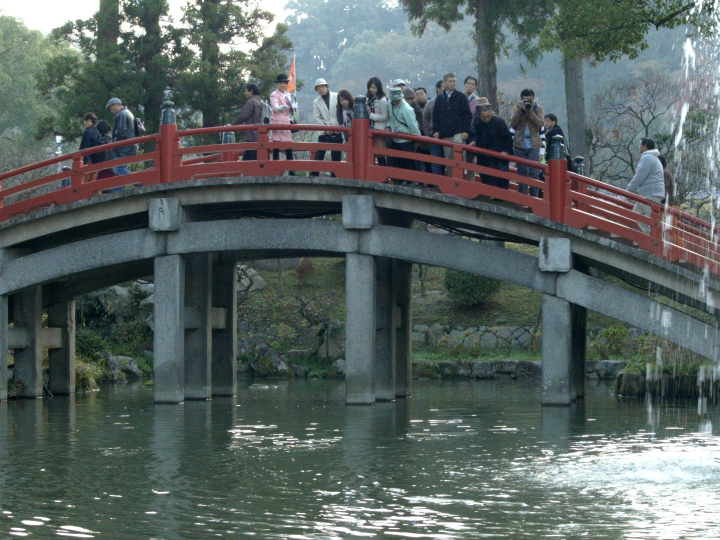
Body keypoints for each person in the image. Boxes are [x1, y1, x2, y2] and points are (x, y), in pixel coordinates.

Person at [432, 72, 472, 177]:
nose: (452, 83)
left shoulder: (461, 97)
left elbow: (467, 115)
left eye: (454, 81)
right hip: (446, 133)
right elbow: (435, 116)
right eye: (450, 81)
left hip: (459, 131)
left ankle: (460, 179)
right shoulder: (440, 98)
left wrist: (466, 130)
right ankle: (451, 180)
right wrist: (436, 130)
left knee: (458, 156)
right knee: (448, 160)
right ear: (444, 83)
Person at [469, 105, 514, 189]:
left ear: (491, 113)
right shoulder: (478, 121)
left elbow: (508, 138)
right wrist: (474, 141)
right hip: (483, 153)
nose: (486, 119)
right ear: (479, 116)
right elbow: (478, 134)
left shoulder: (498, 122)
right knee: (485, 176)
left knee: (500, 177)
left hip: (498, 152)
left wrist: (506, 150)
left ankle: (501, 194)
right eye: (484, 117)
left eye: (488, 116)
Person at [626, 137, 665, 234]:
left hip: (651, 192)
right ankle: (649, 234)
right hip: (650, 192)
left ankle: (652, 237)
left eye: (640, 144)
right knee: (636, 213)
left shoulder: (647, 157)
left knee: (650, 217)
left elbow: (640, 175)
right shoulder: (653, 157)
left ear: (645, 146)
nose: (639, 147)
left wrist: (629, 189)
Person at [510, 89, 544, 196]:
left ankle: (534, 197)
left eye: (530, 97)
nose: (527, 100)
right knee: (521, 171)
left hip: (534, 144)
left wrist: (530, 112)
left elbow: (541, 123)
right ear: (521, 98)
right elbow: (513, 123)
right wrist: (519, 110)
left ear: (533, 98)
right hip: (520, 144)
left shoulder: (538, 108)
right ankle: (523, 196)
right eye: (525, 98)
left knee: (534, 172)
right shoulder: (517, 108)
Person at [311, 78, 341, 176]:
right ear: (316, 90)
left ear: (327, 87)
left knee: (336, 153)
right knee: (320, 152)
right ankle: (315, 173)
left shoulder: (337, 96)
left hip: (337, 129)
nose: (321, 89)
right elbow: (317, 118)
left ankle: (335, 174)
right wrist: (325, 128)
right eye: (318, 88)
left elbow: (341, 112)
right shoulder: (316, 102)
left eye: (322, 87)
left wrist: (338, 126)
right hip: (324, 130)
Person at [386, 87, 420, 172]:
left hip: (406, 140)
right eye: (393, 100)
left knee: (409, 164)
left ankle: (411, 179)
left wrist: (417, 138)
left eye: (397, 100)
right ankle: (398, 179)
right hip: (394, 138)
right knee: (396, 164)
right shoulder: (389, 103)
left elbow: (413, 125)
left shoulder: (407, 109)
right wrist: (388, 125)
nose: (395, 102)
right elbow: (390, 117)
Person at [269, 74, 295, 174]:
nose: (283, 85)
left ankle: (291, 170)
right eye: (281, 83)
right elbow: (274, 106)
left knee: (288, 145)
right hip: (277, 120)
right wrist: (279, 108)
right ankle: (276, 170)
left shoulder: (288, 94)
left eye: (284, 83)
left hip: (286, 120)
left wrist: (293, 107)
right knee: (276, 145)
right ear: (277, 84)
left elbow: (290, 108)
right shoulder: (274, 94)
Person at [231, 83, 263, 161]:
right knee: (247, 159)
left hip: (252, 134)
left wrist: (232, 125)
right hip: (259, 133)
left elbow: (244, 116)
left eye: (246, 91)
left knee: (253, 160)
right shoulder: (260, 101)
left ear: (251, 91)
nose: (245, 93)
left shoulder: (251, 102)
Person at [106, 97, 136, 177]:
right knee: (118, 173)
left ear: (115, 105)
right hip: (129, 146)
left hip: (123, 148)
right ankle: (121, 188)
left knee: (118, 169)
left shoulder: (121, 114)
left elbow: (121, 132)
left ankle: (138, 181)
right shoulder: (128, 112)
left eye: (111, 108)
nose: (111, 110)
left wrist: (115, 144)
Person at [422, 80, 445, 175]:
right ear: (438, 89)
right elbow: (425, 119)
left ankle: (444, 181)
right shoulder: (431, 103)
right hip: (433, 135)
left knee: (446, 161)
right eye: (443, 87)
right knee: (435, 161)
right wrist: (427, 134)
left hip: (447, 135)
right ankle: (437, 182)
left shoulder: (451, 102)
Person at [366, 77, 388, 167]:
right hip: (369, 129)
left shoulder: (382, 100)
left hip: (379, 129)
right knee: (371, 154)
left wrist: (371, 115)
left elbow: (384, 116)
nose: (372, 90)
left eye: (374, 87)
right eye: (370, 87)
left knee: (380, 155)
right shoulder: (369, 99)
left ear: (378, 87)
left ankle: (384, 172)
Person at [463, 76, 481, 181]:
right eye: (468, 84)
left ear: (475, 87)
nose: (470, 86)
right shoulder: (458, 98)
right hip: (458, 132)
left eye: (472, 84)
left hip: (471, 133)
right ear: (464, 85)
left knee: (470, 159)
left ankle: (470, 182)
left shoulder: (477, 102)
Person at [79, 112, 104, 184]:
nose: (84, 123)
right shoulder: (97, 132)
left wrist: (85, 162)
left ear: (89, 120)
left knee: (84, 182)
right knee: (92, 182)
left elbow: (85, 148)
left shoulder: (88, 132)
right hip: (96, 160)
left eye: (85, 121)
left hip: (88, 159)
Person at [414, 87, 431, 172]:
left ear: (426, 95)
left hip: (428, 136)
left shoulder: (431, 105)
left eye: (421, 94)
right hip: (417, 137)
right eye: (417, 94)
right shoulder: (414, 106)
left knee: (429, 160)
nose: (419, 96)